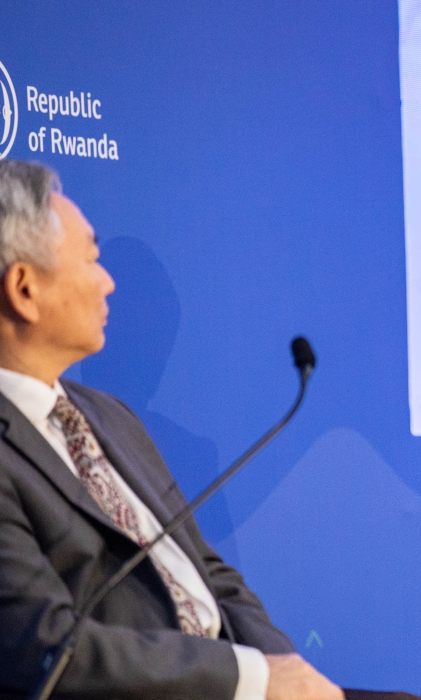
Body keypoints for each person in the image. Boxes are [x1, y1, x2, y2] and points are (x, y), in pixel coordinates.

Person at [0, 160, 343, 700]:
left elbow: (209, 572)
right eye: (93, 259)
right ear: (24, 289)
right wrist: (251, 680)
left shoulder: (111, 417)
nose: (108, 282)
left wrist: (286, 673)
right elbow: (47, 648)